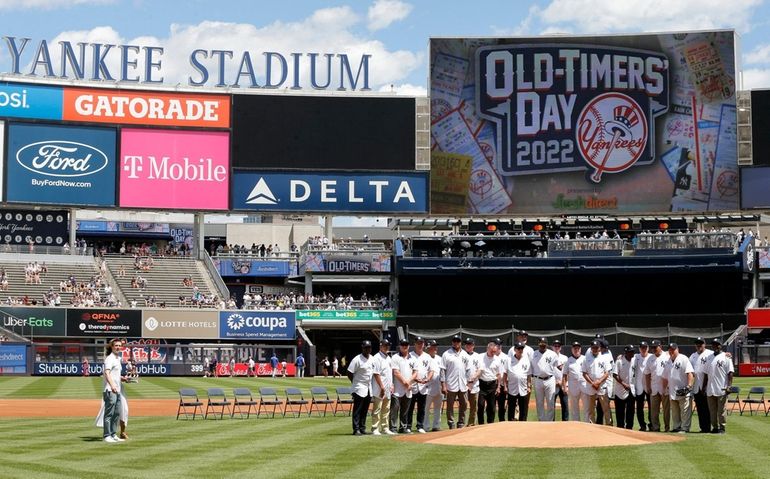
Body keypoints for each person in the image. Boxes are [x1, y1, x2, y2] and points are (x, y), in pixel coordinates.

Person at [703, 338, 733, 434]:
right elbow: (706, 374)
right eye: (714, 344)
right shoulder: (709, 357)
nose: (715, 346)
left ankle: (722, 427)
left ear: (721, 346)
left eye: (717, 344)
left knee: (721, 411)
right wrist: (704, 386)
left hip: (721, 388)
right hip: (710, 389)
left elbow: (730, 373)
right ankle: (714, 427)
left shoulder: (726, 357)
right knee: (712, 411)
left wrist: (729, 386)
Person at [663, 343, 694, 433]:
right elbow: (665, 377)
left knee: (685, 411)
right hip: (672, 391)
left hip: (683, 390)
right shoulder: (668, 361)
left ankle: (685, 428)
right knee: (675, 411)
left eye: (673, 349)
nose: (671, 351)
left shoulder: (683, 358)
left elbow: (690, 373)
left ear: (677, 349)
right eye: (670, 349)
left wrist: (688, 386)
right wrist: (664, 389)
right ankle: (677, 427)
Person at [582, 340, 613, 425]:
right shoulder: (586, 359)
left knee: (606, 407)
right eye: (593, 348)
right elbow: (584, 373)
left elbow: (607, 373)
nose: (595, 349)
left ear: (599, 348)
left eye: (596, 347)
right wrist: (592, 383)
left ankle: (609, 425)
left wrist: (599, 382)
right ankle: (592, 425)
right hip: (591, 386)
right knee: (591, 408)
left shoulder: (604, 358)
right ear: (591, 348)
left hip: (602, 385)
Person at [347, 340, 374, 436]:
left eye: (369, 347)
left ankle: (362, 428)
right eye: (366, 347)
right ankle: (356, 428)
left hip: (368, 388)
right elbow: (349, 372)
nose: (368, 349)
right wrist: (355, 382)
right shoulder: (357, 359)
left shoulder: (372, 358)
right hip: (359, 387)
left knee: (365, 409)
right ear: (362, 348)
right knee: (357, 409)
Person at [101, 339, 125, 443]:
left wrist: (123, 378)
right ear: (112, 347)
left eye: (119, 345)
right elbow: (107, 373)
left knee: (116, 413)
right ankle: (107, 435)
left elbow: (115, 375)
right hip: (110, 390)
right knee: (109, 414)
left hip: (117, 390)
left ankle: (113, 434)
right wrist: (112, 385)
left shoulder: (117, 358)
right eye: (116, 345)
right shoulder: (109, 358)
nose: (118, 347)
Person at [442, 335, 468, 429]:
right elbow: (442, 370)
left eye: (458, 341)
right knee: (450, 405)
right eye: (454, 341)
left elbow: (468, 370)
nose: (456, 343)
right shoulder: (446, 354)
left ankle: (461, 422)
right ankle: (451, 423)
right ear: (452, 342)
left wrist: (468, 383)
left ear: (461, 342)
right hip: (451, 384)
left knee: (464, 404)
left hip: (463, 384)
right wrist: (443, 385)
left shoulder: (465, 354)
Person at [407, 337, 432, 434]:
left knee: (422, 408)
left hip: (423, 386)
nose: (420, 345)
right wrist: (414, 379)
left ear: (424, 344)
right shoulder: (410, 356)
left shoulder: (427, 357)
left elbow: (431, 370)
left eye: (421, 343)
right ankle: (408, 426)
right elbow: (408, 371)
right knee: (410, 407)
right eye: (418, 343)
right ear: (414, 344)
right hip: (412, 385)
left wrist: (427, 379)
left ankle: (420, 426)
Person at [390, 339, 416, 434]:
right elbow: (396, 372)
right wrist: (406, 383)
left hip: (408, 389)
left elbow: (415, 372)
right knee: (395, 409)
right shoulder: (395, 357)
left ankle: (403, 427)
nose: (404, 346)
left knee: (405, 410)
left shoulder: (413, 358)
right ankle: (393, 427)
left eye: (406, 344)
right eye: (403, 345)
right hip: (397, 389)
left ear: (409, 346)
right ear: (400, 346)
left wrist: (408, 383)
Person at [644, 340, 670, 432]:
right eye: (652, 347)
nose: (654, 349)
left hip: (665, 387)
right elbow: (647, 374)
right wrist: (648, 386)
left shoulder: (667, 357)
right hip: (654, 387)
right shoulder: (650, 358)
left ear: (660, 346)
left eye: (655, 347)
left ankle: (667, 428)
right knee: (654, 410)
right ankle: (655, 427)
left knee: (666, 410)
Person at [689, 337, 713, 433]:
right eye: (697, 343)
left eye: (701, 343)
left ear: (704, 344)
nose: (699, 345)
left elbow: (720, 355)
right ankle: (703, 428)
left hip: (707, 386)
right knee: (699, 409)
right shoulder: (693, 356)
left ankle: (708, 427)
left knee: (707, 408)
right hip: (696, 387)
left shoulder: (710, 353)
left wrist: (727, 354)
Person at [532, 337, 559, 421]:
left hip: (550, 379)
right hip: (537, 380)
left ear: (547, 345)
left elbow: (556, 367)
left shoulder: (553, 354)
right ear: (538, 344)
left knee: (550, 402)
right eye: (541, 344)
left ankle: (549, 421)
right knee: (539, 402)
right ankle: (541, 421)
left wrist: (558, 379)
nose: (542, 346)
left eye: (544, 344)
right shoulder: (533, 354)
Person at [371, 339, 394, 435]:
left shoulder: (388, 358)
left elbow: (390, 373)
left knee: (386, 409)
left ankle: (385, 427)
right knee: (377, 409)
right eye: (385, 345)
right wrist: (382, 387)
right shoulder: (377, 357)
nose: (387, 347)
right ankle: (375, 428)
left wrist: (392, 385)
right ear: (380, 346)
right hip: (379, 388)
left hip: (387, 387)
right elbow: (376, 374)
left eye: (388, 345)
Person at [476, 341, 502, 424]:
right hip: (482, 384)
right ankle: (480, 424)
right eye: (492, 351)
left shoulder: (497, 359)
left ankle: (490, 424)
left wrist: (498, 387)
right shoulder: (480, 357)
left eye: (495, 351)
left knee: (492, 407)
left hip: (492, 385)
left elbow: (498, 374)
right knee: (480, 405)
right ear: (487, 349)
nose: (493, 353)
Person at [504, 342, 531, 421]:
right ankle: (511, 425)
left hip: (523, 388)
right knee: (511, 409)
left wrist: (529, 386)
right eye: (519, 348)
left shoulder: (526, 360)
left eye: (522, 348)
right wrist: (505, 386)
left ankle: (523, 424)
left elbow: (529, 375)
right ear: (515, 349)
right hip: (512, 388)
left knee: (524, 409)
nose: (520, 350)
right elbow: (505, 374)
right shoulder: (508, 360)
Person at [613, 345, 636, 429]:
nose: (632, 353)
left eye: (633, 351)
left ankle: (629, 428)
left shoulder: (635, 360)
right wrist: (623, 384)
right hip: (620, 390)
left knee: (631, 411)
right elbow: (615, 375)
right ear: (626, 353)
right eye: (630, 352)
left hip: (631, 389)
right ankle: (620, 428)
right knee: (620, 411)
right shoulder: (619, 361)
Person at [565, 341, 589, 422]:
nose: (576, 350)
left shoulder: (585, 358)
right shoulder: (568, 360)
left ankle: (587, 423)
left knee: (586, 405)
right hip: (573, 383)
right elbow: (564, 374)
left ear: (580, 349)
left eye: (578, 348)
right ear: (572, 349)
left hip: (584, 383)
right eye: (574, 348)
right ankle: (576, 424)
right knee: (574, 406)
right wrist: (565, 386)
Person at [425, 339, 444, 432]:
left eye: (436, 346)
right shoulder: (424, 358)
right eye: (433, 346)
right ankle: (426, 426)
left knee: (438, 408)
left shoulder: (440, 359)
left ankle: (436, 425)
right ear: (428, 347)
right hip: (427, 388)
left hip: (438, 387)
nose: (435, 348)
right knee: (426, 408)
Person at [633, 341, 653, 431]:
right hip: (639, 386)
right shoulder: (636, 357)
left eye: (645, 347)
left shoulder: (651, 357)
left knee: (651, 407)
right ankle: (642, 425)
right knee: (639, 407)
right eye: (642, 347)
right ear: (639, 348)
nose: (643, 349)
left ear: (648, 348)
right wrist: (620, 356)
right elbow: (625, 356)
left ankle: (651, 424)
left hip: (650, 385)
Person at [462, 337, 481, 427]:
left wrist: (473, 378)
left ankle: (471, 423)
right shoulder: (461, 354)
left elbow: (480, 369)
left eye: (470, 344)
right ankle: (462, 423)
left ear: (473, 345)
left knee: (474, 406)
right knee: (464, 405)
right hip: (463, 384)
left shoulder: (477, 356)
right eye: (466, 344)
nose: (468, 346)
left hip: (474, 384)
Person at [552, 339, 569, 421]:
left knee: (565, 404)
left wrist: (563, 383)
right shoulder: (549, 357)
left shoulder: (565, 358)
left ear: (561, 348)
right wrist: (554, 381)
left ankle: (565, 422)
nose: (557, 347)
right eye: (555, 346)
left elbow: (567, 372)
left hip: (563, 384)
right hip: (553, 384)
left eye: (558, 346)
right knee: (551, 405)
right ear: (552, 347)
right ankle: (552, 421)